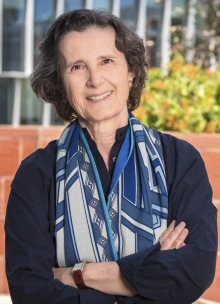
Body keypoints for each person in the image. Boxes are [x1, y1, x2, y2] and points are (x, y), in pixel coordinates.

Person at [5, 9, 217, 304]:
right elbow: (29, 290)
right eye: (77, 67)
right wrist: (149, 274)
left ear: (130, 70)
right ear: (61, 84)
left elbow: (193, 272)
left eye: (106, 61)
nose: (94, 79)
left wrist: (77, 275)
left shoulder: (179, 161)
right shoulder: (36, 174)